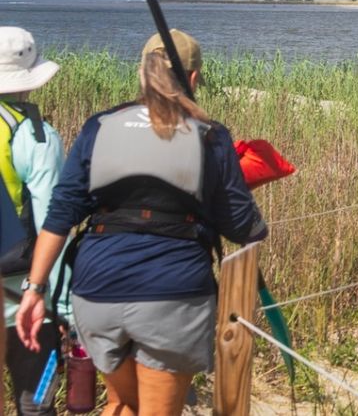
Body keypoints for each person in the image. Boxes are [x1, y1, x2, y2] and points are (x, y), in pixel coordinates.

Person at [15, 30, 267, 416]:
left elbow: (61, 214)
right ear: (194, 78)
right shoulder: (210, 136)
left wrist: (34, 289)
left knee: (122, 404)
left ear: (141, 73)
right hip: (172, 292)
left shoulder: (99, 127)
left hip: (97, 291)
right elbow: (243, 227)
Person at [0, 27, 67, 416]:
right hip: (22, 298)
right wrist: (59, 305)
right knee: (35, 403)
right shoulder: (35, 135)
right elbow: (51, 221)